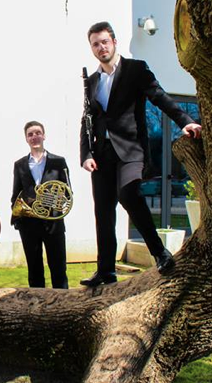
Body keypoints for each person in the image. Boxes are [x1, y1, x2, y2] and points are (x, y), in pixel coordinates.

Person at [80, 21, 202, 287]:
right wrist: (86, 154)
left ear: (114, 42)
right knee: (103, 212)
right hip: (101, 155)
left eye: (104, 42)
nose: (101, 47)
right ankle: (105, 271)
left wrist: (185, 121)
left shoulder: (135, 69)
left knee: (128, 194)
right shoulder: (92, 81)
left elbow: (159, 96)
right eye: (95, 44)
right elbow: (87, 120)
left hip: (130, 150)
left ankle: (160, 253)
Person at [11, 121, 70, 289]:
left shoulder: (58, 161)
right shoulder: (19, 164)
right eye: (30, 134)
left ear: (44, 136)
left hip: (53, 222)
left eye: (37, 133)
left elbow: (67, 192)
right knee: (34, 270)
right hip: (29, 223)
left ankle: (63, 301)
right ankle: (37, 303)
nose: (34, 137)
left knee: (58, 269)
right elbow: (16, 194)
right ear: (26, 139)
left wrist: (53, 199)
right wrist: (17, 217)